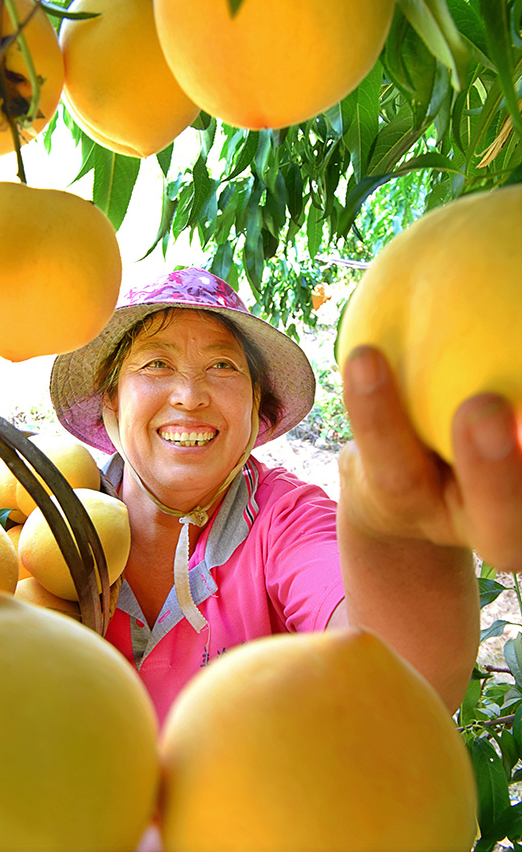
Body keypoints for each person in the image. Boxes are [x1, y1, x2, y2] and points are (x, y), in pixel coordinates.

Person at [50, 266, 522, 726]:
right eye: (156, 363)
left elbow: (399, 679)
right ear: (112, 396)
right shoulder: (46, 513)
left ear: (256, 404)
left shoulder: (286, 519)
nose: (190, 396)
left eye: (222, 365)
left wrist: (415, 536)